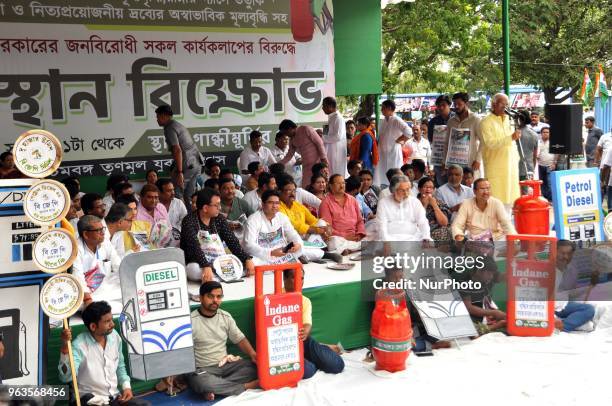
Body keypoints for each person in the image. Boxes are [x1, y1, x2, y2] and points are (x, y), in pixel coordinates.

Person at [59, 301, 150, 406]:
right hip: (91, 401)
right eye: (107, 321)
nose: (112, 324)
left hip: (114, 398)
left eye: (111, 319)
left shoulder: (115, 336)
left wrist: (126, 387)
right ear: (93, 326)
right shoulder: (79, 345)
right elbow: (66, 377)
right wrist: (65, 346)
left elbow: (120, 366)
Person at [187, 282, 258, 401]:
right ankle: (246, 387)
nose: (215, 300)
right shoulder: (191, 321)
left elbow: (239, 339)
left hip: (226, 366)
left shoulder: (225, 316)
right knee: (199, 382)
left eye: (219, 297)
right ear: (200, 298)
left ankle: (215, 388)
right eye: (210, 296)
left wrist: (253, 354)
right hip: (203, 369)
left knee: (255, 368)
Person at [180, 188, 254, 283]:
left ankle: (216, 276)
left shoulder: (219, 219)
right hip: (198, 262)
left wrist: (246, 258)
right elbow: (194, 247)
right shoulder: (189, 221)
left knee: (252, 261)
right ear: (205, 208)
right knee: (193, 269)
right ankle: (219, 275)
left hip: (219, 261)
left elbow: (232, 242)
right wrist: (205, 265)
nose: (220, 208)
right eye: (216, 205)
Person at [283, 268, 345, 379]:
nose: (299, 281)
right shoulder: (273, 297)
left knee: (337, 365)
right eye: (294, 277)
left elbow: (307, 324)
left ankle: (320, 348)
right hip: (284, 345)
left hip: (301, 340)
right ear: (285, 279)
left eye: (302, 278)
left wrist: (305, 331)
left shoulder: (305, 300)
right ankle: (320, 348)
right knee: (308, 370)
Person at [244, 190, 312, 264]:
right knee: (252, 262)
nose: (274, 206)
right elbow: (249, 245)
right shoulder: (253, 220)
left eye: (277, 203)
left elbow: (293, 234)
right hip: (263, 256)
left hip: (282, 254)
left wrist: (297, 244)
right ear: (263, 204)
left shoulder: (282, 217)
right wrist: (270, 252)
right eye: (270, 203)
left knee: (302, 248)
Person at [155, 104, 203, 209]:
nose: (157, 120)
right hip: (196, 162)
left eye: (158, 117)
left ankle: (177, 220)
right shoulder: (177, 124)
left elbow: (177, 150)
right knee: (189, 196)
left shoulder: (170, 128)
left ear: (164, 116)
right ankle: (191, 219)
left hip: (187, 163)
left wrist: (180, 172)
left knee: (174, 192)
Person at [479, 93, 521, 209]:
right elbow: (490, 143)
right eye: (502, 104)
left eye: (507, 104)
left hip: (510, 167)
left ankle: (506, 226)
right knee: (495, 202)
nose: (505, 107)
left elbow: (513, 144)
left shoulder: (510, 120)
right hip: (495, 167)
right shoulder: (485, 122)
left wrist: (516, 158)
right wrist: (510, 138)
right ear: (493, 104)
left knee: (510, 202)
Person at [73, 215, 122, 307]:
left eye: (102, 229)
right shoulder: (76, 249)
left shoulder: (105, 242)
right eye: (98, 231)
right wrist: (87, 299)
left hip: (101, 285)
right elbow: (78, 277)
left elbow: (118, 265)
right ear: (86, 234)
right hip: (83, 291)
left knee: (124, 290)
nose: (103, 233)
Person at [452, 178, 516, 242]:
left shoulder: (496, 203)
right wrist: (459, 236)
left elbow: (506, 224)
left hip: (496, 240)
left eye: (488, 188)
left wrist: (516, 240)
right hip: (474, 242)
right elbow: (457, 225)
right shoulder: (466, 204)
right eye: (482, 189)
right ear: (474, 191)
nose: (486, 192)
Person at [458, 256, 507, 335]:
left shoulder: (487, 279)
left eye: (492, 274)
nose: (491, 277)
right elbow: (469, 308)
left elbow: (504, 277)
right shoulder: (465, 283)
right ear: (478, 271)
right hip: (475, 322)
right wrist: (494, 313)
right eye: (489, 273)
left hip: (490, 318)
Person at [554, 240, 596, 332]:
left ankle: (562, 324)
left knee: (590, 309)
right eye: (562, 253)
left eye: (569, 254)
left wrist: (589, 288)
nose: (566, 257)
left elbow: (571, 294)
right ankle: (562, 326)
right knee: (588, 315)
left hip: (563, 306)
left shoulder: (572, 270)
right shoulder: (547, 269)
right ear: (555, 252)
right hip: (546, 308)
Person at [319, 174, 366, 253]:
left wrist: (359, 234)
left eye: (343, 183)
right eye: (338, 183)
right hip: (338, 238)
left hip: (355, 236)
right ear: (330, 186)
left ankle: (349, 248)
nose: (342, 186)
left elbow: (360, 221)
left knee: (375, 232)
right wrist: (346, 237)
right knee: (334, 242)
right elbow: (328, 228)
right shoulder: (325, 203)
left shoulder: (352, 200)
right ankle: (353, 247)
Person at [377, 175, 431, 241]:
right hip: (390, 238)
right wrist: (385, 241)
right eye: (402, 190)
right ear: (394, 191)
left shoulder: (415, 202)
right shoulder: (383, 203)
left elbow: (423, 222)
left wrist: (426, 237)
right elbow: (381, 225)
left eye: (408, 190)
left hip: (414, 238)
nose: (406, 194)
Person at [279, 120, 328, 188]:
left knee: (320, 184)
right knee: (306, 186)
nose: (287, 135)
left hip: (318, 163)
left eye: (286, 132)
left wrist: (323, 158)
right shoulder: (292, 140)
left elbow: (319, 143)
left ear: (290, 128)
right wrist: (279, 164)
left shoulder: (306, 129)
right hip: (306, 166)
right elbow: (289, 155)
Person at [374, 99, 412, 186]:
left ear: (389, 108)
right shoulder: (382, 121)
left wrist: (400, 140)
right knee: (382, 174)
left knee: (395, 174)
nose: (382, 110)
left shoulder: (396, 119)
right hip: (382, 153)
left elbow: (409, 132)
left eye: (383, 108)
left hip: (394, 151)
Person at [447, 92, 483, 178]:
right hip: (454, 164)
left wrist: (478, 160)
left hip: (471, 163)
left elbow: (483, 141)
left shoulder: (476, 119)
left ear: (467, 104)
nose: (456, 106)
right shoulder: (451, 122)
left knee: (472, 188)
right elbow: (447, 143)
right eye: (455, 104)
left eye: (459, 104)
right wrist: (444, 163)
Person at [417, 177, 451, 242]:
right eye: (425, 187)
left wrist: (434, 205)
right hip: (420, 232)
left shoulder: (439, 203)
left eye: (431, 188)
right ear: (419, 189)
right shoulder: (414, 202)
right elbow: (416, 224)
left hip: (439, 232)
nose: (428, 189)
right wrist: (425, 205)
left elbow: (444, 223)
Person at [428, 95, 453, 186]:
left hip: (454, 158)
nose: (441, 108)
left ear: (449, 105)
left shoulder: (457, 119)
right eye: (439, 106)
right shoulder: (433, 122)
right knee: (442, 185)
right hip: (439, 159)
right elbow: (431, 140)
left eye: (444, 105)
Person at [157, 178, 188, 245]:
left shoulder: (178, 203)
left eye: (173, 189)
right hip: (158, 242)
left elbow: (186, 222)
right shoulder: (154, 205)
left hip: (178, 241)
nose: (173, 193)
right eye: (169, 191)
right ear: (159, 192)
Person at [322, 97, 347, 177]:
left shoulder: (338, 118)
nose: (322, 108)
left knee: (336, 174)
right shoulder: (331, 117)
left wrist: (322, 137)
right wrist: (321, 133)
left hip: (336, 153)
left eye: (324, 106)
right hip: (330, 151)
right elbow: (327, 134)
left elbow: (338, 136)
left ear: (330, 106)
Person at [516, 110, 539, 187]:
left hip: (517, 167)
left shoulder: (515, 134)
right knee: (525, 191)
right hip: (529, 167)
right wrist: (533, 167)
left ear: (519, 119)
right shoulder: (534, 134)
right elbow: (535, 154)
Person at [537, 127, 558, 201]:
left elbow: (556, 153)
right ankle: (545, 199)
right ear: (541, 134)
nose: (545, 134)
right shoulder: (538, 142)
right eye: (544, 132)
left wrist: (554, 163)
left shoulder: (553, 142)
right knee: (542, 183)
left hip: (550, 165)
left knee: (550, 183)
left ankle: (551, 199)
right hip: (540, 165)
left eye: (547, 132)